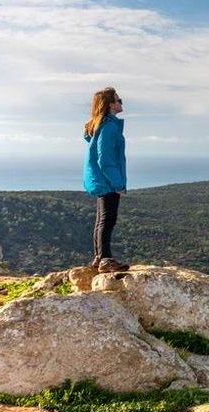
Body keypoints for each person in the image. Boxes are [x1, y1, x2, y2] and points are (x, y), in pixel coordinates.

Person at [83, 87, 130, 273]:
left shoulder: (102, 125)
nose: (121, 103)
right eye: (119, 100)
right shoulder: (109, 127)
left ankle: (99, 258)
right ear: (110, 104)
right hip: (107, 180)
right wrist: (118, 184)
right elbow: (106, 159)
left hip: (101, 179)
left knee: (102, 219)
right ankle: (105, 260)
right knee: (107, 220)